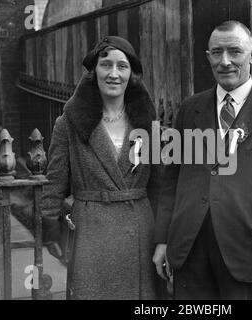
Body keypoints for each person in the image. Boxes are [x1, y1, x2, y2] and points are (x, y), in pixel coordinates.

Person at [152, 21, 252, 300]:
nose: (225, 61)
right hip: (190, 251)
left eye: (235, 51)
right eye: (217, 52)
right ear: (208, 56)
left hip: (249, 254)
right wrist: (163, 239)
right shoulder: (190, 109)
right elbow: (171, 181)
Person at [41, 36, 160, 300]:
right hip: (90, 234)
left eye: (122, 66)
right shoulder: (69, 123)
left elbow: (161, 187)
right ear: (94, 72)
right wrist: (50, 225)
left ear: (132, 74)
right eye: (106, 65)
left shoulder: (148, 124)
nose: (114, 74)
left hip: (139, 232)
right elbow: (55, 179)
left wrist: (163, 238)